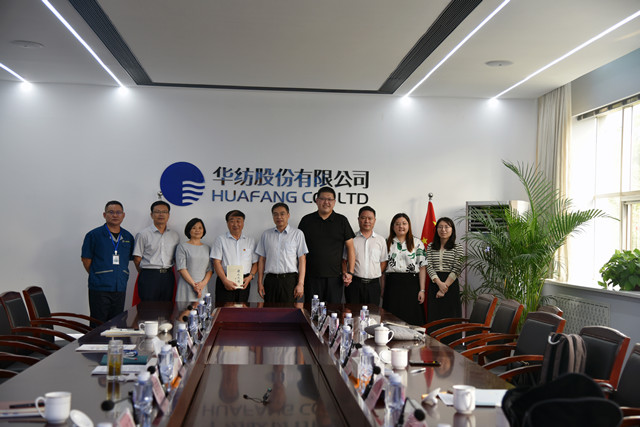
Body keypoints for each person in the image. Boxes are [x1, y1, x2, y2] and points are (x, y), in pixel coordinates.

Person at [81, 201, 135, 326]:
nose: (115, 215)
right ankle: (95, 340)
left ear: (123, 215)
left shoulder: (128, 237)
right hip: (99, 287)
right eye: (111, 212)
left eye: (118, 212)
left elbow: (128, 259)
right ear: (104, 215)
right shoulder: (94, 235)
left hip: (120, 286)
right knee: (98, 323)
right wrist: (98, 274)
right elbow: (86, 260)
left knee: (117, 322)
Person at [298, 187, 355, 304]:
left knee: (333, 311)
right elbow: (299, 250)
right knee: (312, 311)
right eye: (323, 199)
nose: (326, 202)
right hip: (311, 277)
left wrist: (350, 272)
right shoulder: (306, 220)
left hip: (335, 278)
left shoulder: (342, 221)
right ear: (317, 200)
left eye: (329, 199)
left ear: (334, 202)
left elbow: (350, 247)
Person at [256, 203, 308, 303]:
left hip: (289, 281)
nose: (279, 217)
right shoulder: (266, 235)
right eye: (275, 214)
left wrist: (300, 284)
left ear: (288, 215)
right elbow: (262, 260)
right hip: (270, 281)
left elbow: (302, 260)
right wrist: (259, 283)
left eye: (282, 214)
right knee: (269, 310)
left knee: (289, 311)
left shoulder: (297, 234)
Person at [382, 213, 426, 326]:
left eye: (404, 223)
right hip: (392, 284)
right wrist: (382, 289)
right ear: (393, 227)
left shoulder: (417, 243)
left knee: (411, 318)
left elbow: (422, 267)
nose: (401, 226)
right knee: (391, 320)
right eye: (397, 224)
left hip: (411, 284)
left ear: (409, 226)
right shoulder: (386, 243)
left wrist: (422, 290)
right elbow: (382, 269)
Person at [133, 201, 181, 301]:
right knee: (148, 307)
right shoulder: (143, 234)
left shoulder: (174, 235)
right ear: (151, 215)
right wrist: (147, 273)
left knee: (167, 307)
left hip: (168, 276)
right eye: (157, 212)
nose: (161, 214)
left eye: (164, 212)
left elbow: (175, 258)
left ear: (168, 215)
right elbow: (137, 258)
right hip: (149, 276)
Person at [211, 210, 258, 304]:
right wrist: (225, 280)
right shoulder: (220, 240)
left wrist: (250, 277)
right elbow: (216, 262)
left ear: (243, 223)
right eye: (232, 221)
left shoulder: (250, 241)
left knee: (242, 309)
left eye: (238, 220)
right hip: (225, 280)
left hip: (244, 281)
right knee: (224, 310)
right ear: (227, 223)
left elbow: (255, 263)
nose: (235, 224)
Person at [343, 206, 387, 305]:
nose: (367, 221)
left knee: (373, 313)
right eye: (363, 218)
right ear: (358, 219)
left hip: (373, 285)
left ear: (374, 220)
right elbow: (344, 261)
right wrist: (346, 275)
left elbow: (383, 262)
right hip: (354, 284)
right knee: (353, 312)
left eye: (370, 218)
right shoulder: (351, 239)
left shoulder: (381, 240)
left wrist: (373, 273)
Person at [426, 217, 464, 322]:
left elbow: (457, 267)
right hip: (435, 284)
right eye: (440, 227)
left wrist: (444, 287)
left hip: (451, 285)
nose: (443, 230)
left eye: (447, 227)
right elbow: (429, 266)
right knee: (435, 317)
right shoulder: (430, 246)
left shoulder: (458, 247)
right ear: (436, 230)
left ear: (452, 230)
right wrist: (439, 284)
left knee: (451, 317)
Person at [175, 218, 213, 302]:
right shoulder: (182, 247)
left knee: (202, 308)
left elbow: (210, 269)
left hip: (202, 287)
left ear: (203, 230)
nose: (197, 230)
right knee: (185, 309)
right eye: (194, 228)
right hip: (186, 285)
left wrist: (202, 284)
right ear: (189, 230)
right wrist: (194, 285)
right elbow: (182, 268)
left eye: (200, 228)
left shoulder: (207, 248)